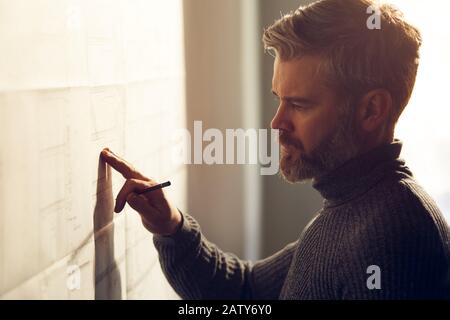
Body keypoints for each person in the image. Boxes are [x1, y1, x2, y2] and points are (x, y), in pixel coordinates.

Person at [101, 0, 450, 299]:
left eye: (299, 104)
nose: (277, 122)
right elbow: (246, 292)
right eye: (279, 100)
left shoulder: (391, 235)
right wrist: (170, 225)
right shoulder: (351, 210)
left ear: (371, 111)